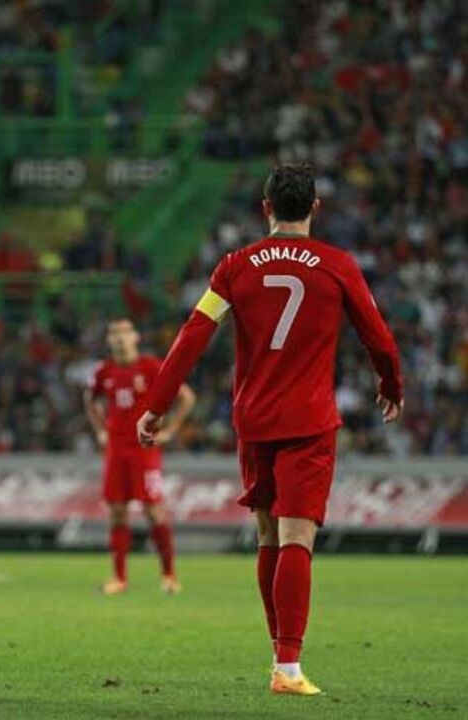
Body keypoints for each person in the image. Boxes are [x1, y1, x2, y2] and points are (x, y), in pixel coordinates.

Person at [137, 163, 403, 696]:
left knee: (266, 536)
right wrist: (390, 383)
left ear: (266, 208)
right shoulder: (337, 266)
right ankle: (288, 667)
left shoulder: (236, 266)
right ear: (315, 209)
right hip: (308, 422)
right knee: (297, 538)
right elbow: (379, 336)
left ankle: (277, 653)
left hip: (253, 420)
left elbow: (194, 334)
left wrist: (156, 404)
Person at [85, 318, 195, 595]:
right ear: (109, 340)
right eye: (114, 334)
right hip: (116, 449)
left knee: (152, 509)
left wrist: (170, 431)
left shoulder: (151, 367)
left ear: (135, 337)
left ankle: (169, 575)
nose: (120, 339)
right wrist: (100, 430)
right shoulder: (104, 371)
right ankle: (119, 578)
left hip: (144, 449)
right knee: (117, 511)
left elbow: (186, 397)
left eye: (124, 333)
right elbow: (90, 399)